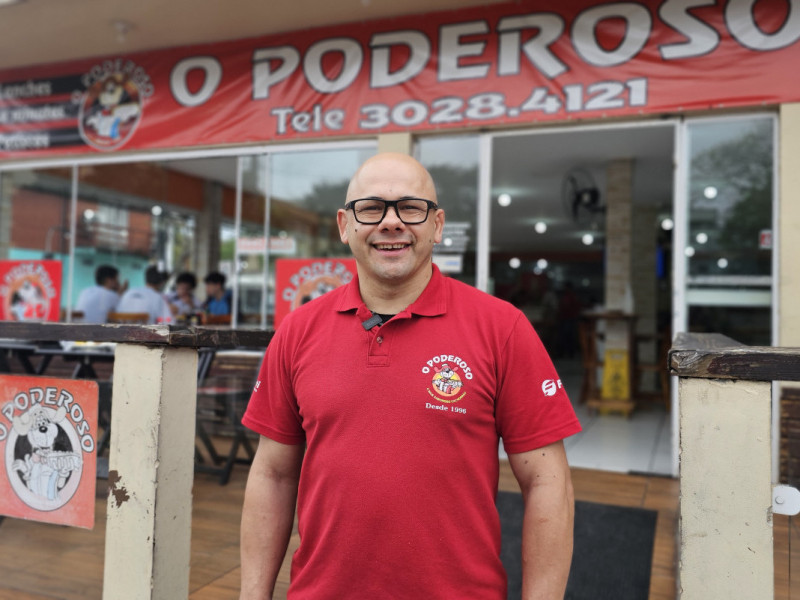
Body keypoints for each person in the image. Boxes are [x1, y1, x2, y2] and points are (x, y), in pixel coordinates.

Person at [239, 153, 581, 599]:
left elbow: (548, 483)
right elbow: (272, 476)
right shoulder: (298, 330)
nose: (391, 222)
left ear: (437, 225)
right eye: (371, 208)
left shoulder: (502, 328)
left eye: (411, 208)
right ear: (345, 226)